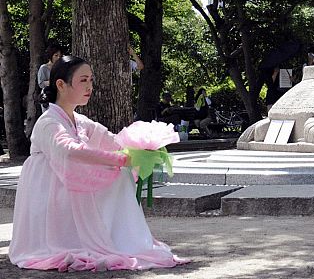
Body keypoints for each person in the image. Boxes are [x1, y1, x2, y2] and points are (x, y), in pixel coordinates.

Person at [9, 55, 184, 271]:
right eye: (83, 80)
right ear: (61, 85)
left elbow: (110, 139)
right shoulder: (49, 122)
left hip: (65, 180)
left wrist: (141, 148)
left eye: (91, 80)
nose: (89, 86)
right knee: (117, 171)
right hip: (49, 187)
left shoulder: (79, 120)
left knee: (120, 174)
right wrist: (122, 159)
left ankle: (119, 237)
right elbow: (69, 149)